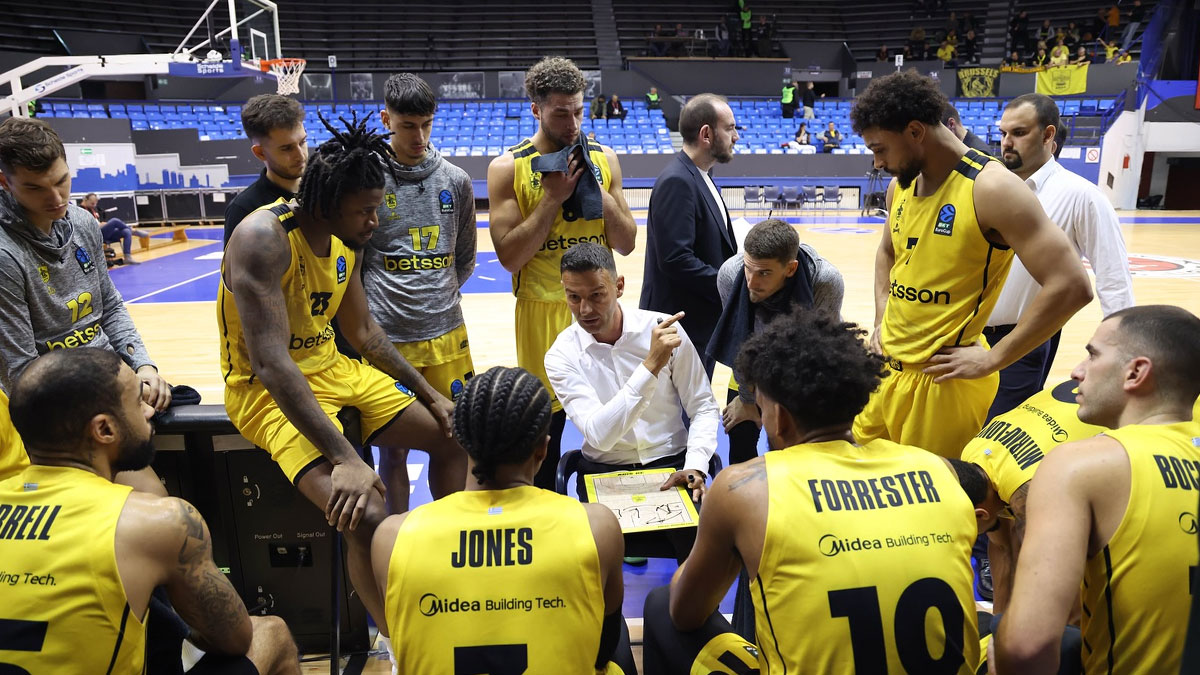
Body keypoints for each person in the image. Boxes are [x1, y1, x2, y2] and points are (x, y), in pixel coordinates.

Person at [220, 113, 468, 660]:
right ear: (328, 202)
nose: (375, 221)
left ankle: (453, 572)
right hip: (264, 390)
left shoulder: (343, 239)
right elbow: (271, 364)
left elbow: (365, 334)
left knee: (455, 436)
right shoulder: (262, 239)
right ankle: (399, 645)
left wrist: (433, 397)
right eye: (365, 210)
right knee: (367, 515)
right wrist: (346, 457)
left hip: (334, 369)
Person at [642, 309, 981, 673]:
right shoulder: (939, 469)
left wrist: (720, 529)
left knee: (661, 605)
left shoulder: (743, 489)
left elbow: (685, 612)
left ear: (780, 418)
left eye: (761, 407)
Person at [0, 348, 299, 675]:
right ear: (104, 430)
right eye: (137, 402)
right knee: (271, 633)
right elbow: (234, 641)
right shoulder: (162, 521)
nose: (149, 411)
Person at [848, 70, 1092, 459]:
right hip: (886, 371)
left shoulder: (993, 188)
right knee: (857, 475)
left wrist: (995, 358)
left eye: (879, 149)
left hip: (942, 382)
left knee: (929, 492)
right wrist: (881, 316)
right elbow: (887, 252)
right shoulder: (900, 186)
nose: (877, 163)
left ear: (915, 131)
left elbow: (1072, 286)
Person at [371, 365, 635, 674]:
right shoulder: (597, 527)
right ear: (543, 449)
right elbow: (603, 647)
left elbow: (408, 641)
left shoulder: (392, 537)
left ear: (461, 441)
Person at [997, 306, 1200, 674]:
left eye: (1092, 355)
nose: (1077, 371)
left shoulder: (1080, 465)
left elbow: (1028, 648)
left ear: (1136, 373)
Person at [487, 56, 637, 490]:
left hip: (601, 308)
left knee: (614, 425)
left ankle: (616, 514)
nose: (572, 124)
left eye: (578, 111)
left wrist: (598, 191)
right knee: (544, 431)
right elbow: (510, 257)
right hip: (541, 310)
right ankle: (547, 510)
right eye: (560, 114)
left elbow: (627, 242)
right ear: (536, 109)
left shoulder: (605, 159)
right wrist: (552, 199)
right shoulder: (508, 168)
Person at [0, 117, 172, 483]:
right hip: (55, 418)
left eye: (61, 180)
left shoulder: (82, 222)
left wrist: (143, 367)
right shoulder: (5, 255)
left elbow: (109, 306)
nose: (56, 198)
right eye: (35, 188)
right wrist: (113, 404)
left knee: (162, 506)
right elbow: (21, 372)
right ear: (4, 182)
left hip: (108, 391)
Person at [363, 73, 477, 515]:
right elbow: (354, 263)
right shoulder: (367, 178)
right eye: (408, 125)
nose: (419, 136)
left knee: (455, 438)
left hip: (447, 335)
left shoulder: (456, 180)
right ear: (385, 119)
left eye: (426, 124)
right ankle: (397, 539)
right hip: (388, 342)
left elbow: (464, 259)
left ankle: (447, 535)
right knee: (393, 450)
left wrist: (433, 298)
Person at [545, 244, 718, 530]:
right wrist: (650, 366)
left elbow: (703, 407)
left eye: (596, 295)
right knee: (600, 547)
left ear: (619, 286)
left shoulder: (665, 328)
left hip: (673, 464)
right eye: (574, 297)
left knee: (701, 544)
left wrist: (695, 464)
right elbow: (600, 436)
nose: (584, 309)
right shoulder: (561, 355)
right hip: (603, 469)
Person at [989, 93, 1134, 418]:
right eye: (1003, 133)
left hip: (1023, 340)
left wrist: (1121, 350)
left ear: (1048, 135)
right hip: (967, 335)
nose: (1007, 142)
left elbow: (1114, 279)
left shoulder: (1081, 196)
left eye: (1019, 133)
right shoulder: (989, 187)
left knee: (994, 432)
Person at [711, 219, 843, 465]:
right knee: (740, 441)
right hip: (751, 365)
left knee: (798, 453)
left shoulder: (825, 281)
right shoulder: (730, 273)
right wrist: (748, 400)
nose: (751, 282)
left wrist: (780, 406)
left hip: (805, 369)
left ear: (790, 269)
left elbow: (820, 354)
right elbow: (739, 342)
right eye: (748, 268)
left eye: (764, 273)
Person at [640, 94, 738, 375]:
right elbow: (676, 260)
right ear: (706, 134)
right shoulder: (677, 181)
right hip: (680, 329)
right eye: (730, 128)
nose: (736, 137)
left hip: (698, 326)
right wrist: (732, 284)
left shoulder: (701, 175)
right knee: (679, 405)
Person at [223, 94, 307, 246]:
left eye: (302, 142)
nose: (300, 155)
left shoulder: (326, 192)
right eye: (286, 148)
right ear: (260, 153)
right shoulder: (244, 209)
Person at [80, 192, 149, 264]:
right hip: (95, 235)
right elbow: (87, 228)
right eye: (92, 203)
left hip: (103, 232)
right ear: (85, 200)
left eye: (95, 203)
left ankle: (127, 257)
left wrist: (103, 224)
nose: (94, 205)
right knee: (114, 221)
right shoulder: (81, 211)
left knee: (126, 232)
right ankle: (133, 231)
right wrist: (100, 225)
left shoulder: (92, 208)